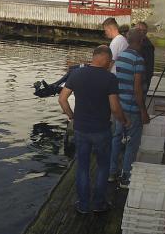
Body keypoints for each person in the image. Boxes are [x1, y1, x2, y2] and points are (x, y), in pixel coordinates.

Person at [58, 45, 130, 214]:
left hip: (81, 129)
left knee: (82, 167)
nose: (111, 64)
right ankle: (98, 204)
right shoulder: (110, 79)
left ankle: (83, 205)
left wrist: (72, 116)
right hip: (101, 131)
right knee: (103, 167)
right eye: (111, 61)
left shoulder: (77, 74)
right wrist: (124, 121)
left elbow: (62, 99)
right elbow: (114, 107)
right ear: (106, 59)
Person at [109, 28, 151, 188]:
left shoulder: (120, 56)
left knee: (117, 138)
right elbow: (137, 89)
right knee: (132, 143)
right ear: (140, 42)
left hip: (119, 106)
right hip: (132, 109)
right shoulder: (138, 60)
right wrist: (143, 112)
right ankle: (125, 177)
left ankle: (112, 173)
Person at [136, 22, 155, 95]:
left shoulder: (147, 46)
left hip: (143, 78)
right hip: (138, 77)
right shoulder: (138, 42)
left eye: (144, 30)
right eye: (139, 30)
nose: (141, 32)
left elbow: (148, 66)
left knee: (140, 98)